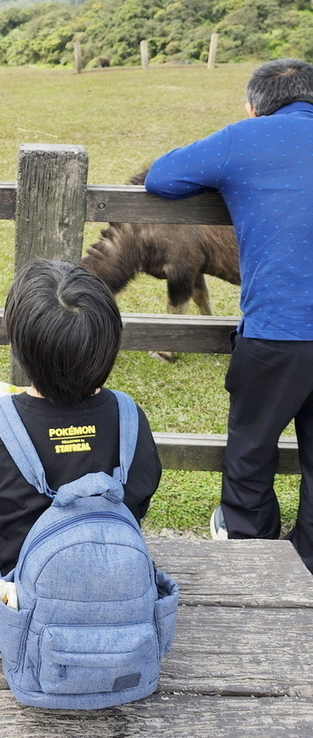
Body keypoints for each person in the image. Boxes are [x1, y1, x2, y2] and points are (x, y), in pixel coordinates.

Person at [144, 58, 313, 570]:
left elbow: (161, 177)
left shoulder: (246, 138)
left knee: (251, 447)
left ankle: (250, 545)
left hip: (278, 333)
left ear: (253, 106)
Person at [0, 258, 161, 629]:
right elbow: (138, 501)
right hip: (112, 600)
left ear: (16, 342)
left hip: (10, 610)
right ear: (110, 342)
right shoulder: (129, 419)